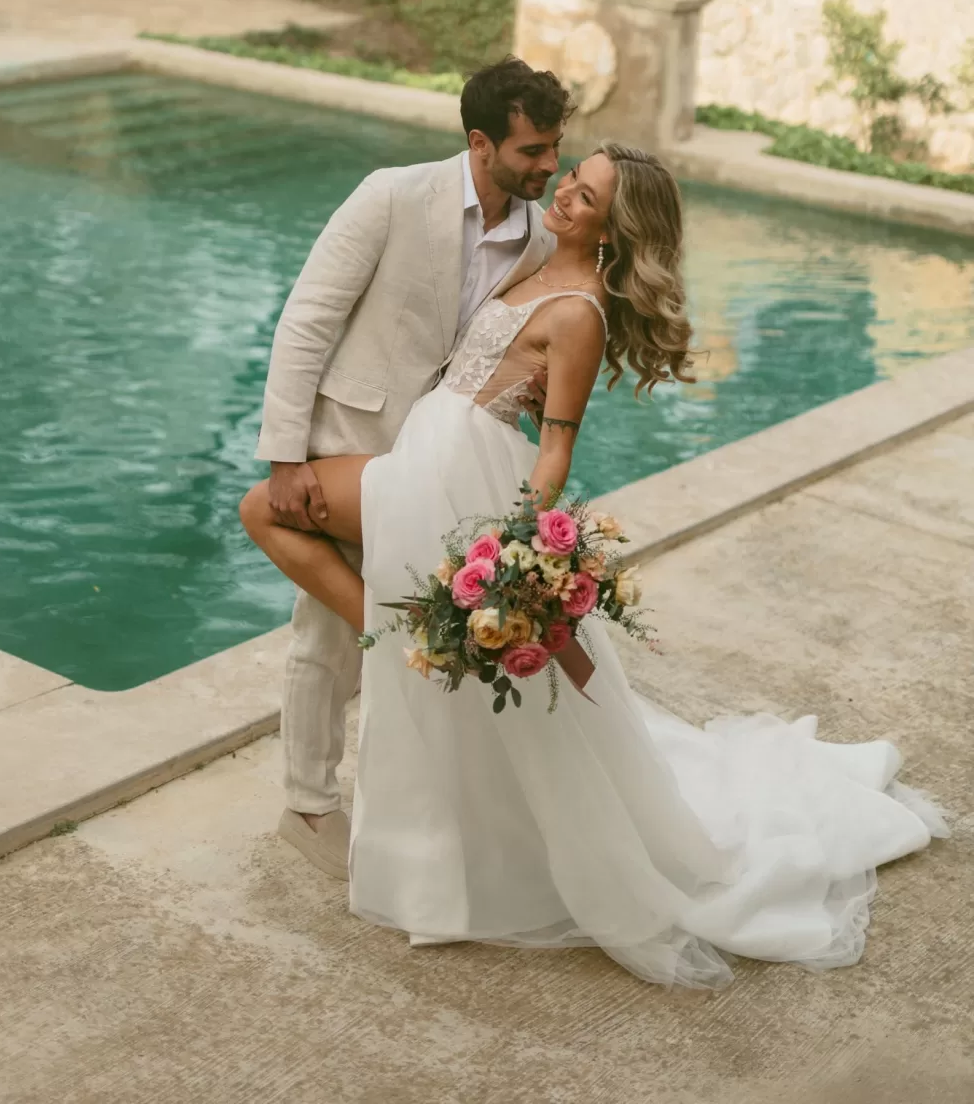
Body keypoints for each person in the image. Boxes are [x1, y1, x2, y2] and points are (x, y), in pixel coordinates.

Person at [244, 140, 946, 987]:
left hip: (455, 477)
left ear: (615, 228)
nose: (566, 193)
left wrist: (516, 544)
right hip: (429, 452)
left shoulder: (579, 310)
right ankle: (390, 632)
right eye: (571, 179)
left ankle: (391, 641)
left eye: (587, 195)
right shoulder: (534, 251)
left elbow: (555, 449)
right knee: (415, 647)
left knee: (262, 509)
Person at [240, 56, 571, 880]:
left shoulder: (536, 236)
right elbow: (306, 321)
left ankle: (402, 806)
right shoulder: (390, 194)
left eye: (554, 148)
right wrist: (287, 455)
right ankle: (308, 805)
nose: (547, 167)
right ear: (480, 141)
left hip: (438, 463)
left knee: (418, 630)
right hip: (344, 444)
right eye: (533, 150)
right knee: (328, 635)